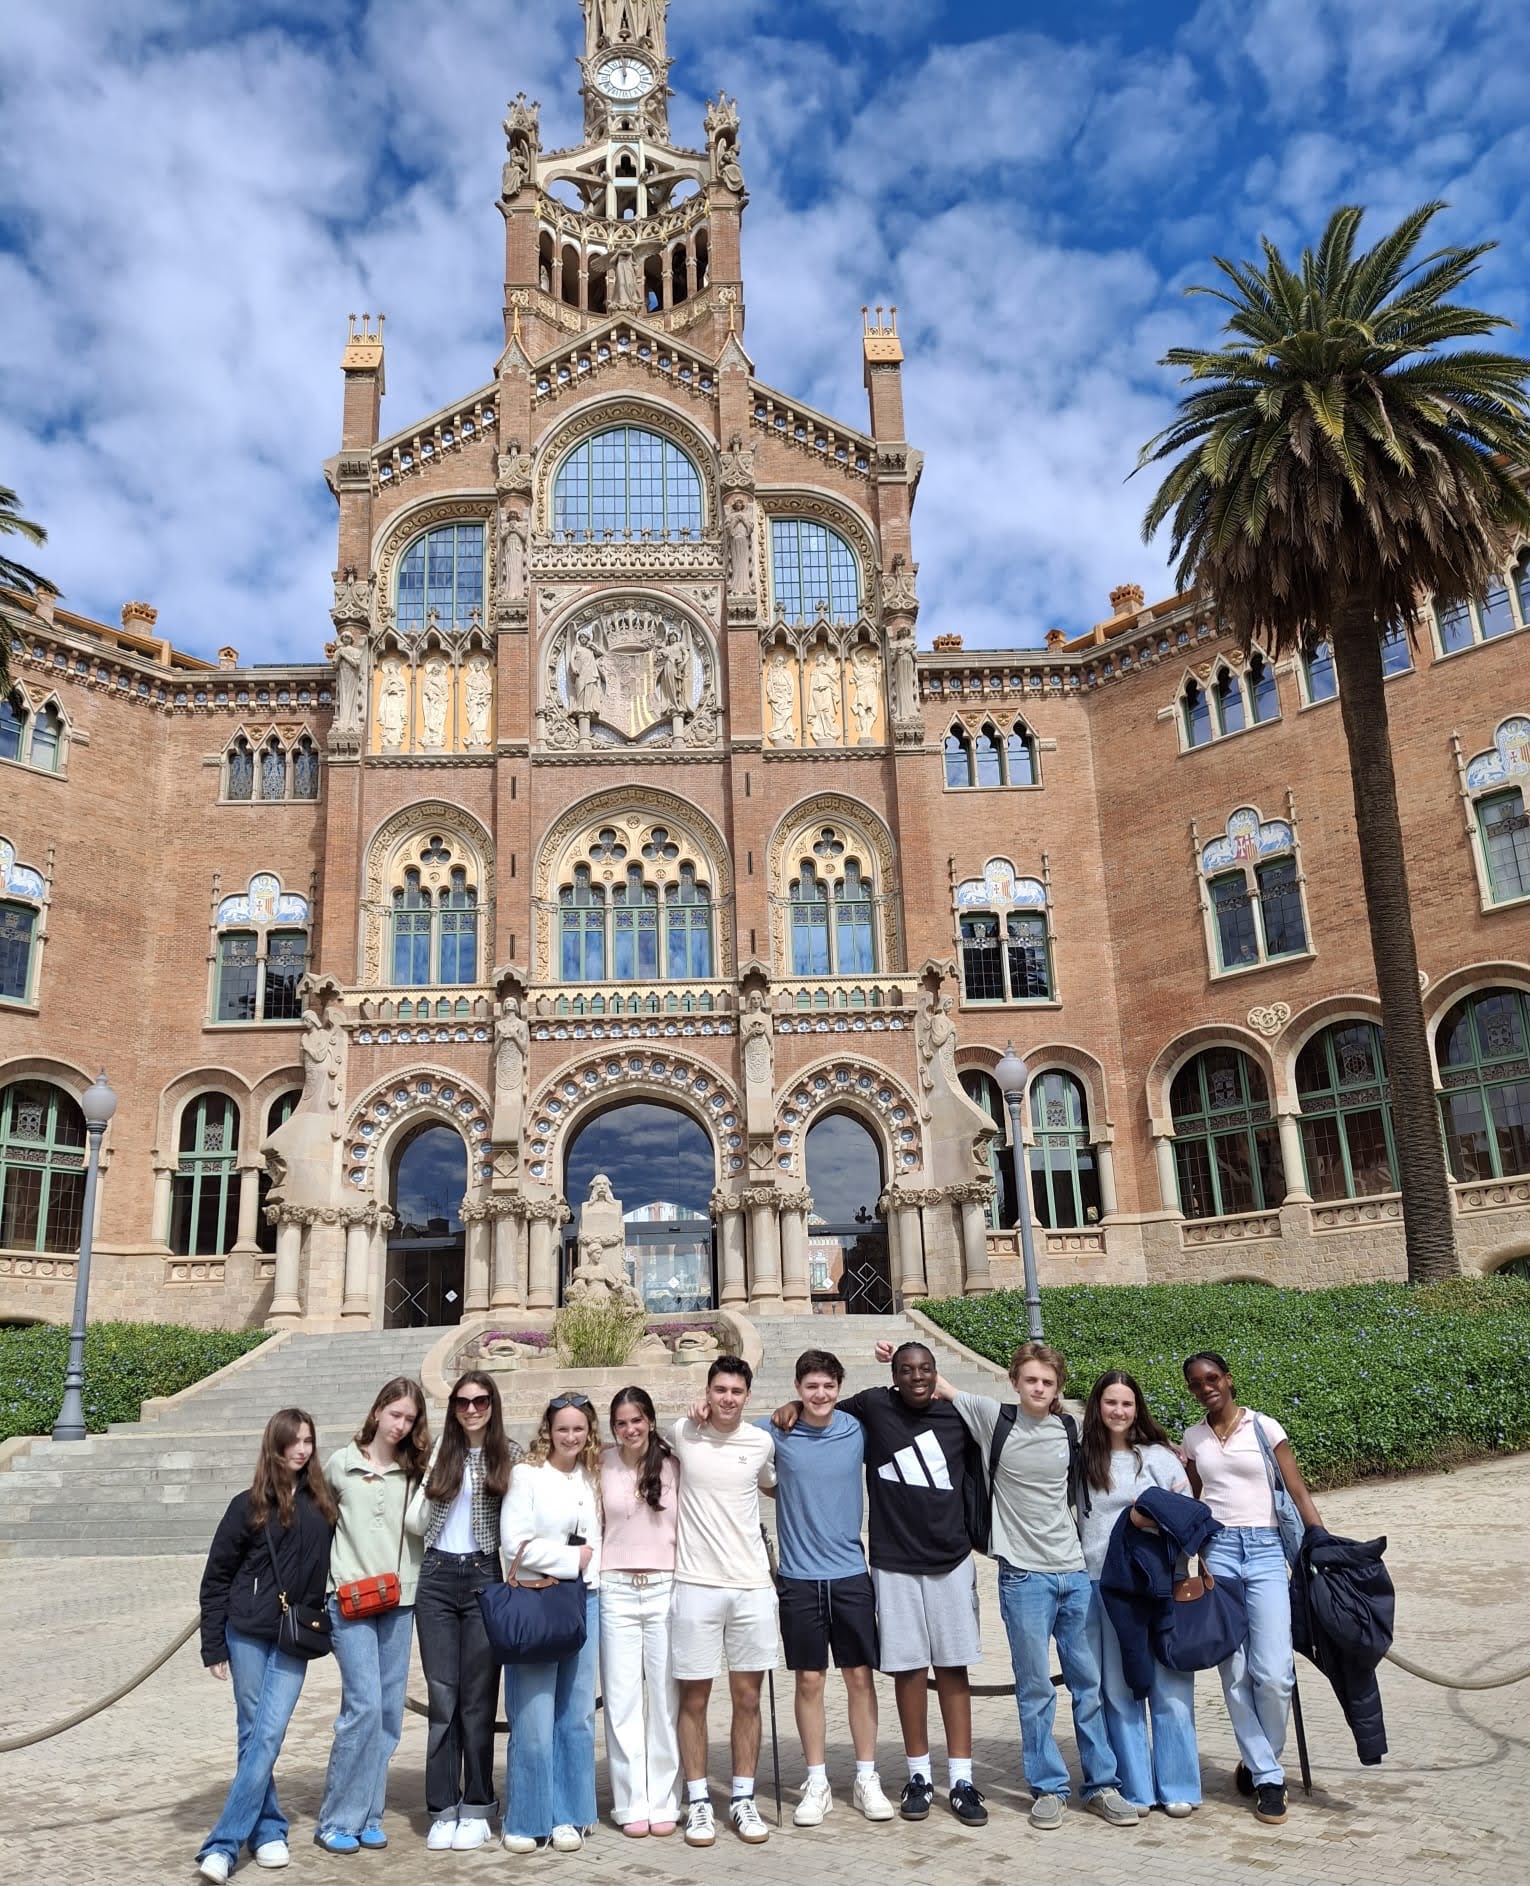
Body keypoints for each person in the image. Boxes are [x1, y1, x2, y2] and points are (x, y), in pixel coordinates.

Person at [782, 1341, 985, 1827]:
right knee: (908, 1671)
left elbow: (1004, 1425)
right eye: (906, 1370)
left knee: (953, 1669)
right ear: (892, 1377)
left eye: (926, 1369)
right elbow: (821, 1405)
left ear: (937, 1373)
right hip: (893, 1563)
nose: (917, 1377)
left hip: (951, 1559)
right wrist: (790, 1404)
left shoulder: (957, 1415)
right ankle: (918, 1776)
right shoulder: (874, 1406)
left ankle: (961, 1779)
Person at [1181, 1351, 1323, 1827]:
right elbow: (1195, 1500)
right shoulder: (1194, 1439)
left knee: (1275, 1673)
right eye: (1196, 1383)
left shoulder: (1264, 1427)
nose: (1206, 1388)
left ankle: (1262, 1756)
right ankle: (1268, 1778)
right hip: (1218, 1552)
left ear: (1228, 1378)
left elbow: (1297, 1490)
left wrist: (1320, 1540)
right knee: (1236, 1672)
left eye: (1212, 1378)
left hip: (1265, 1551)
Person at [196, 1408, 337, 1883]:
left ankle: (223, 1844)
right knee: (252, 1731)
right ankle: (269, 1829)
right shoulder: (248, 1505)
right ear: (274, 1445)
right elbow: (216, 1577)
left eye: (308, 1441)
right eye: (293, 1441)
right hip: (247, 1633)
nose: (301, 1450)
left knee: (267, 1733)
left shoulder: (323, 1504)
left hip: (297, 1634)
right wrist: (213, 1645)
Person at [766, 1349, 893, 1827]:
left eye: (828, 1386)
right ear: (798, 1388)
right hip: (799, 1577)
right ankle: (816, 1780)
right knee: (809, 1680)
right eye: (810, 1386)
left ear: (839, 1388)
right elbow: (727, 1430)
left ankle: (866, 1776)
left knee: (860, 1677)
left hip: (850, 1573)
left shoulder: (855, 1429)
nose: (820, 1394)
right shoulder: (777, 1430)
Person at [407, 1371, 522, 1851]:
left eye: (480, 1401)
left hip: (483, 1576)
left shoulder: (510, 1455)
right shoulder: (439, 1452)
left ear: (493, 1405)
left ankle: (477, 1804)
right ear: (452, 1407)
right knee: (443, 1699)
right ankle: (441, 1807)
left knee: (478, 1700)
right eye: (462, 1402)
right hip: (436, 1576)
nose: (471, 1409)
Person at [315, 1377, 430, 1855]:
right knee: (361, 1707)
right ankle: (336, 1819)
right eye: (395, 1414)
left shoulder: (416, 1470)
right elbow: (315, 1526)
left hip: (399, 1601)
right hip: (348, 1599)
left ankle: (369, 1814)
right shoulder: (341, 1464)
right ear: (378, 1410)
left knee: (387, 1712)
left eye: (409, 1418)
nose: (400, 1425)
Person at [1079, 1370, 1200, 1817]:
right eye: (1110, 1402)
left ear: (1137, 1408)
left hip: (1160, 1584)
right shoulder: (1083, 1460)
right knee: (1118, 1688)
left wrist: (1146, 1519)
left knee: (1171, 1686)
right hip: (1104, 1584)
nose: (1119, 1411)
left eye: (1127, 1403)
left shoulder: (1159, 1458)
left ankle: (1179, 1785)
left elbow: (1190, 1515)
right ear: (1097, 1406)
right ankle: (1135, 1787)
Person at [671, 1355, 778, 1848]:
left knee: (748, 1698)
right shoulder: (683, 1432)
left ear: (747, 1396)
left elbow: (772, 1484)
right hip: (695, 1583)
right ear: (707, 1392)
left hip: (751, 1584)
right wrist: (690, 1413)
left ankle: (742, 1797)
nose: (727, 1399)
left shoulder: (760, 1443)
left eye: (736, 1391)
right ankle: (698, 1800)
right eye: (720, 1390)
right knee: (694, 1698)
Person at [499, 1391, 604, 1854]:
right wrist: (570, 1559)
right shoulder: (527, 1475)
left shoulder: (593, 1474)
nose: (571, 1436)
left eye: (579, 1428)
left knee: (577, 1714)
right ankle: (525, 1816)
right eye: (563, 1428)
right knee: (534, 1715)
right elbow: (514, 1544)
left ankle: (569, 1813)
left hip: (586, 1600)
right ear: (549, 1430)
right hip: (538, 1600)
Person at [599, 1387, 681, 1838]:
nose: (630, 1429)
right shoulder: (602, 1463)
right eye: (621, 1422)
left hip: (664, 1587)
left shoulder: (673, 1464)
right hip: (616, 1589)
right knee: (622, 1700)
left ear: (650, 1419)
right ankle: (631, 1801)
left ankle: (665, 1799)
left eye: (636, 1420)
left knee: (666, 1699)